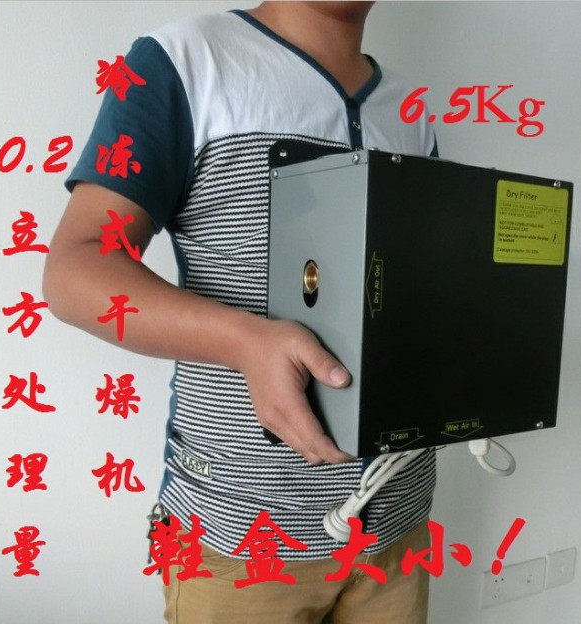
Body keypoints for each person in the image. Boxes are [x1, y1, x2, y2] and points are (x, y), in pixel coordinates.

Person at [43, 2, 437, 622]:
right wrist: (247, 341)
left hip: (398, 523)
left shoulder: (412, 109)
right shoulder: (183, 61)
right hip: (240, 538)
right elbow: (75, 269)